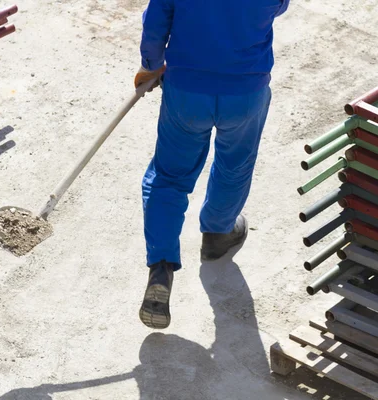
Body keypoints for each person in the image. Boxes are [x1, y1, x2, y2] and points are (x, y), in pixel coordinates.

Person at [135, 0, 290, 329]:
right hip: (245, 92)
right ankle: (218, 234)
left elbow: (156, 23)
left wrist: (152, 64)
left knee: (169, 177)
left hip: (187, 90)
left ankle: (161, 265)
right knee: (234, 163)